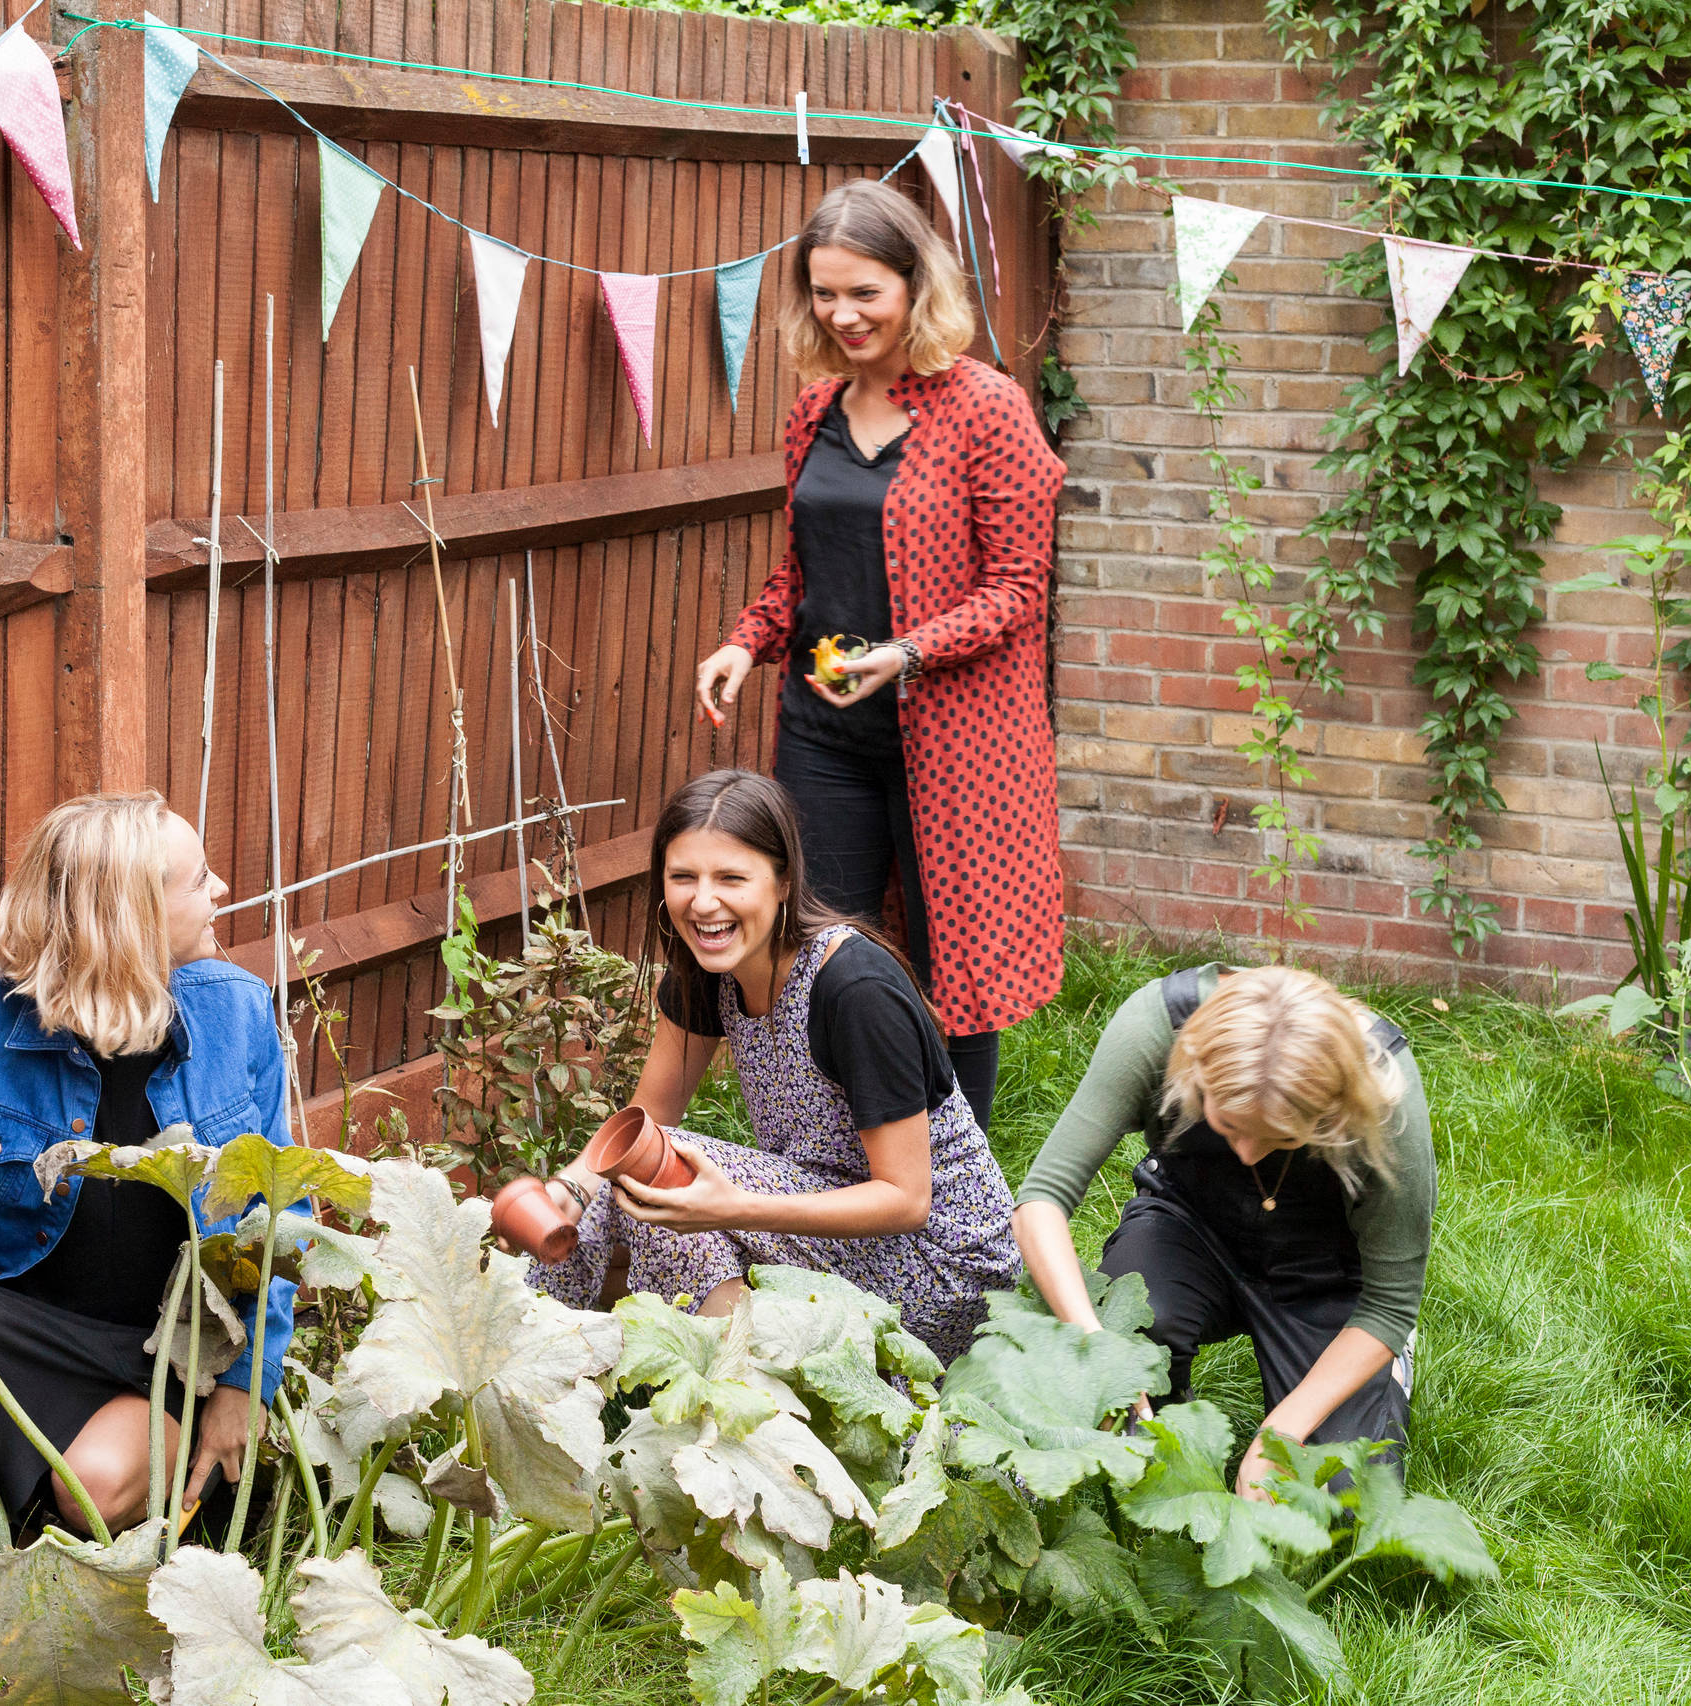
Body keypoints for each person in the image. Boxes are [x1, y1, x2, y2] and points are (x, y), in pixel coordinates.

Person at [692, 177, 1066, 1136]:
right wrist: (745, 641)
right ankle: (834, 1167)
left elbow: (1020, 588)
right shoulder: (812, 409)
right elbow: (804, 572)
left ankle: (954, 1202)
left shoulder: (985, 408)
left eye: (866, 292)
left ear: (915, 285)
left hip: (960, 744)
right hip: (825, 736)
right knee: (821, 951)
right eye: (824, 292)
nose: (844, 313)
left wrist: (909, 652)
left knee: (956, 969)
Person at [0, 793, 295, 1539]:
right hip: (23, 1345)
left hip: (178, 1352)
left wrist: (247, 1386)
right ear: (130, 916)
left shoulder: (238, 1012)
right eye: (199, 878)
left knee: (93, 1491)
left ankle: (13, 1524)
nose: (222, 892)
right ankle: (25, 1529)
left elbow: (282, 1222)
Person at [523, 769, 1019, 1359]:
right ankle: (542, 1358)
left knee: (668, 1181)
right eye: (683, 877)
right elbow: (648, 1115)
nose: (703, 902)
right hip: (821, 1225)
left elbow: (906, 1199)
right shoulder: (710, 965)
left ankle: (748, 1402)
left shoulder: (855, 988)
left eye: (731, 877)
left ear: (783, 882)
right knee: (648, 1184)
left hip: (941, 1267)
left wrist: (734, 1208)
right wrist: (570, 1192)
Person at [1011, 964, 1435, 1498]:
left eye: (1280, 1138)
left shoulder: (1381, 1093)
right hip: (1190, 1227)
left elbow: (1392, 1303)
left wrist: (1280, 1430)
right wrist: (1101, 1353)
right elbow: (1040, 1201)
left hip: (1323, 1268)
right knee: (1128, 1404)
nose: (1247, 1153)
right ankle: (1166, 1405)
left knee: (1338, 1499)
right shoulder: (1155, 1030)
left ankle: (1386, 1366)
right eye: (1229, 1126)